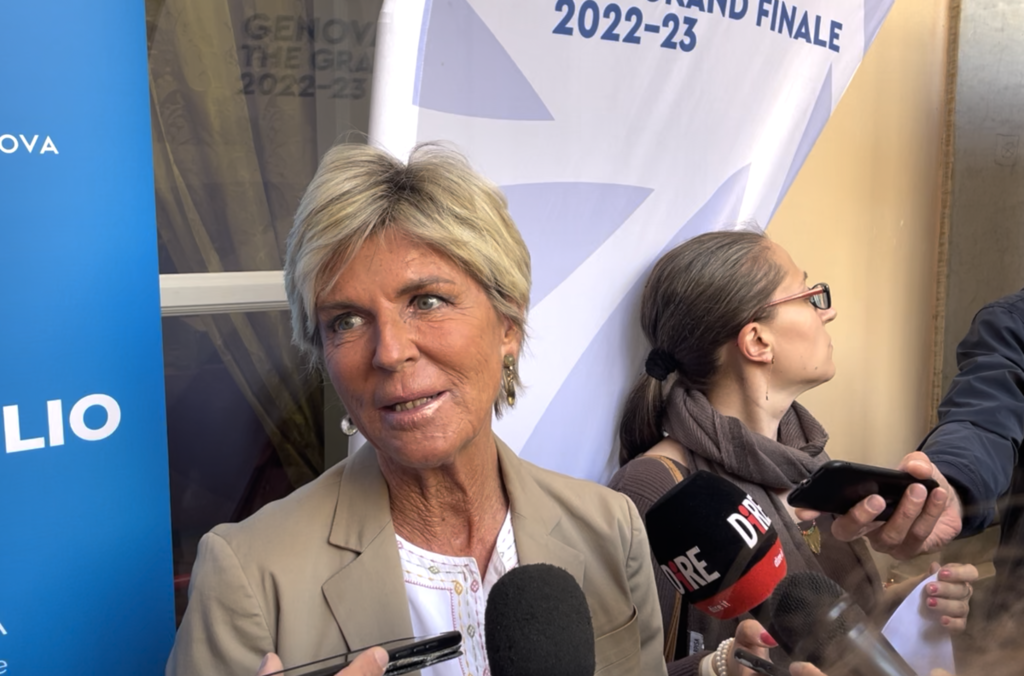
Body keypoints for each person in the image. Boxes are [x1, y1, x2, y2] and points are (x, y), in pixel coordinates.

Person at [165, 144, 667, 676]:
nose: (389, 351)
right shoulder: (248, 573)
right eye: (346, 321)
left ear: (508, 325)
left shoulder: (610, 527)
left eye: (427, 301)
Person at [607, 231, 977, 676]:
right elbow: (623, 668)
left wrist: (912, 603)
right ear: (758, 341)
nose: (828, 311)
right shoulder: (655, 489)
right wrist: (717, 667)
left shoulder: (809, 466)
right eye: (808, 296)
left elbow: (819, 632)